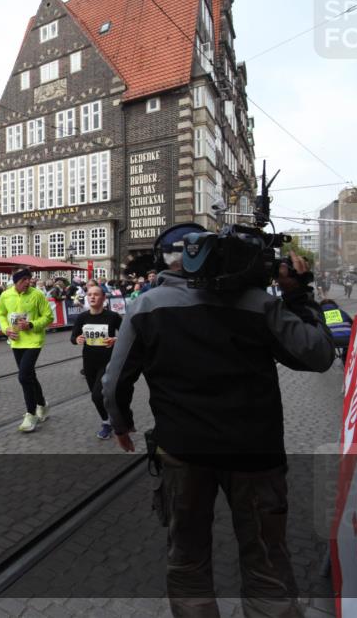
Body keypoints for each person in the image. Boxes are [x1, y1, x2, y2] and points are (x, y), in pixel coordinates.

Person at [101, 222, 334, 618]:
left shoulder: (146, 306)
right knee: (266, 561)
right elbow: (318, 355)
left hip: (183, 451)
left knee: (188, 558)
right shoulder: (260, 303)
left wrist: (120, 422)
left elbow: (114, 379)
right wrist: (297, 293)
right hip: (256, 453)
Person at [0, 268, 54, 433]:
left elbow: (49, 317)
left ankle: (31, 414)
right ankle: (42, 404)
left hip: (34, 341)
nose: (28, 282)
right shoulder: (6, 295)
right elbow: (1, 314)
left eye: (29, 279)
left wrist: (31, 325)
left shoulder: (37, 295)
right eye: (24, 280)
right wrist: (6, 329)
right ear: (16, 282)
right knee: (29, 375)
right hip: (16, 341)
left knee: (23, 376)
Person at [69, 284, 124, 439]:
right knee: (97, 395)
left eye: (96, 294)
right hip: (89, 363)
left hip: (107, 362)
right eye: (90, 294)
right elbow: (73, 338)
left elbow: (126, 335)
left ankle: (107, 423)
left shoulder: (112, 317)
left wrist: (115, 339)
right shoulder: (82, 317)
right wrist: (77, 339)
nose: (92, 297)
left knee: (96, 396)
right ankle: (108, 419)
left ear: (103, 298)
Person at [319, 298, 353, 362]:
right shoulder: (342, 312)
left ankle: (325, 359)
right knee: (347, 345)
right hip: (347, 339)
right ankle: (345, 359)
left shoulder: (319, 314)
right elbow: (352, 324)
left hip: (330, 341)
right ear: (335, 305)